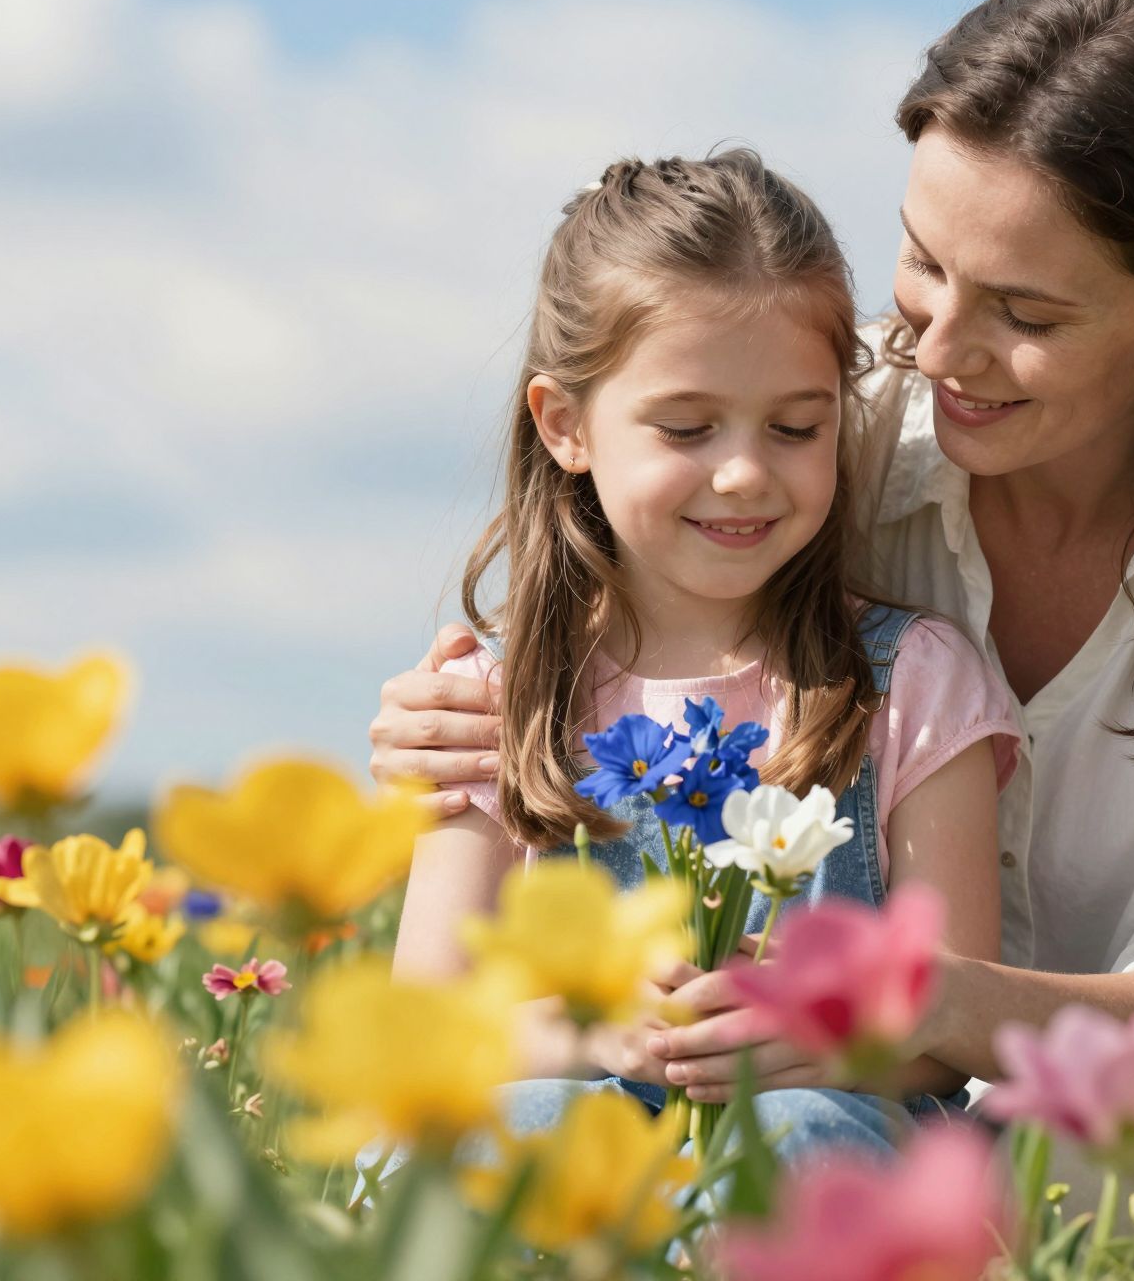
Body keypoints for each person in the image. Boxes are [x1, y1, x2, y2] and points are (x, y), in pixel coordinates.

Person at [371, 0, 1134, 1248]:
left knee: (905, 1177)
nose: (938, 349)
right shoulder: (831, 435)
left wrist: (921, 1004)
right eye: (922, 262)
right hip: (895, 1092)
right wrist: (471, 709)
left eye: (1025, 312)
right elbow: (636, 541)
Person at [383, 149, 1020, 1178]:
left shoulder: (908, 681)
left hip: (819, 1128)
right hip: (575, 1145)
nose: (743, 473)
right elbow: (427, 1024)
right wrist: (593, 1029)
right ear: (565, 425)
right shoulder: (496, 700)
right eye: (687, 427)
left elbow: (952, 1027)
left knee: (801, 1135)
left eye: (796, 427)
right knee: (511, 1128)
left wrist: (820, 1038)